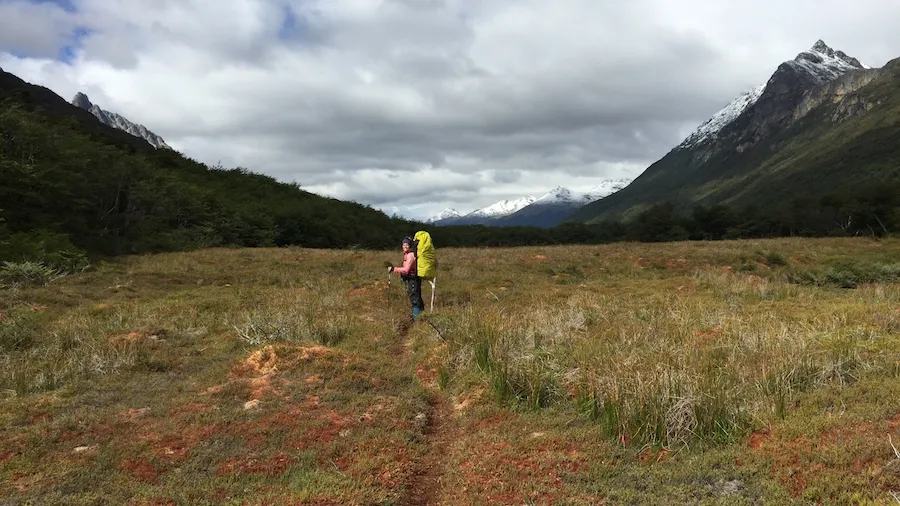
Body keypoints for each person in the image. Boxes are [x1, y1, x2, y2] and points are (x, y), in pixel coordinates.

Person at [389, 236, 425, 320]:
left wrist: (394, 269)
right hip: (412, 279)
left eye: (407, 245)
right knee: (417, 297)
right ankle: (421, 317)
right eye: (403, 244)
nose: (405, 246)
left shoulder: (410, 255)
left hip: (413, 280)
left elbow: (406, 270)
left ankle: (417, 319)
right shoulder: (407, 254)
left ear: (410, 245)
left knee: (414, 299)